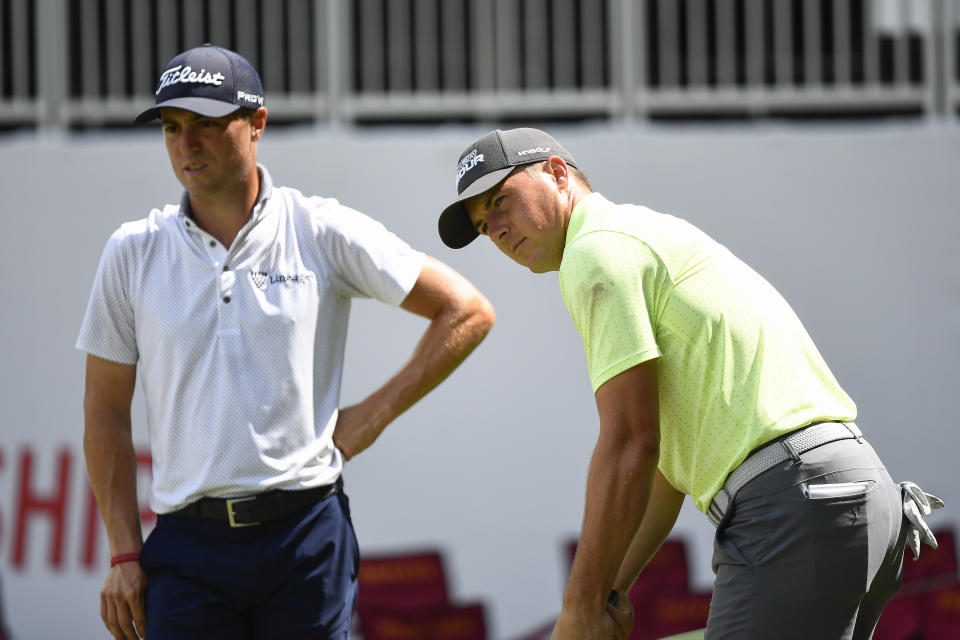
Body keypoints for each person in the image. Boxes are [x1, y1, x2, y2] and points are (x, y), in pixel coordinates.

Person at [437, 127, 943, 640]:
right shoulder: (634, 231)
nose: (496, 229)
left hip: (793, 506)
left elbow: (630, 442)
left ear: (558, 173)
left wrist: (580, 606)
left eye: (501, 200)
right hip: (854, 497)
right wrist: (610, 590)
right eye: (483, 226)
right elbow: (664, 472)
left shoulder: (594, 251)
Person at [77, 44, 495, 640]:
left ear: (258, 123)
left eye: (206, 124)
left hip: (305, 535)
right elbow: (103, 414)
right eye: (173, 127)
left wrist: (368, 420)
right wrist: (122, 554)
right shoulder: (132, 251)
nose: (185, 145)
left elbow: (466, 310)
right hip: (188, 550)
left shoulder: (318, 228)